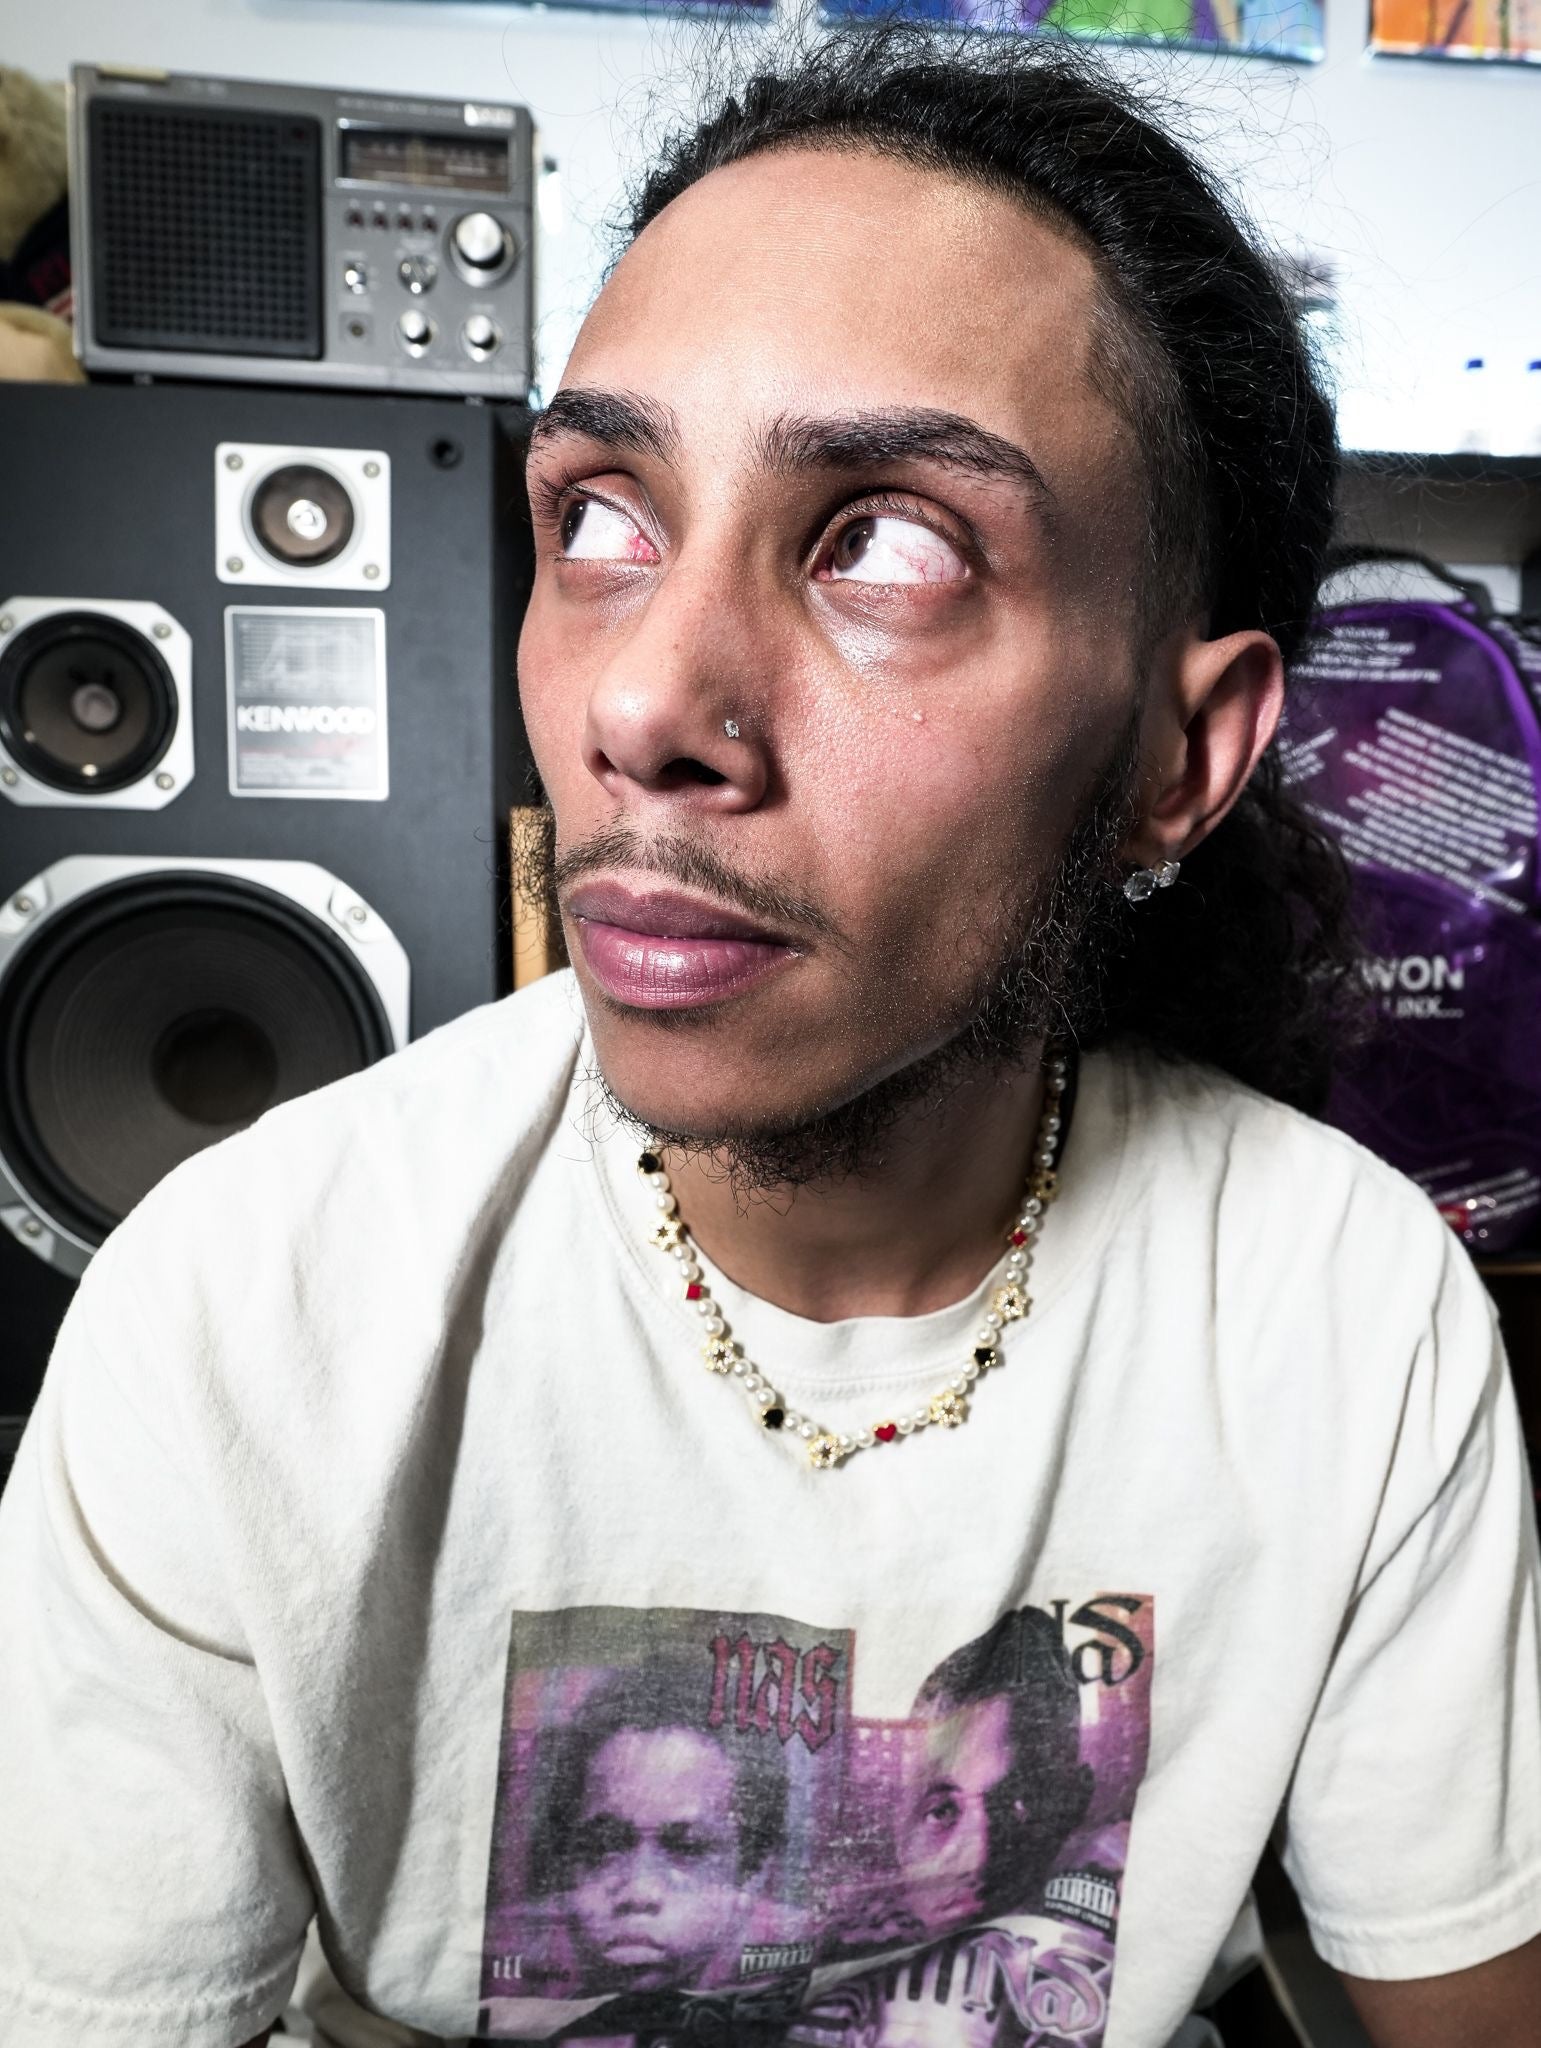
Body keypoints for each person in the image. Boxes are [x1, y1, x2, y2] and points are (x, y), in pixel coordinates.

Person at [2, 22, 1539, 2048]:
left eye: (887, 540)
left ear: (1177, 757)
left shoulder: (1345, 1312)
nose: (643, 703)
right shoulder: (240, 1313)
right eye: (602, 516)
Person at [515, 1661, 789, 1998]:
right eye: (604, 1848)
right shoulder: (514, 1978)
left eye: (688, 1848)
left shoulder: (818, 1978)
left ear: (753, 1873)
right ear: (564, 1864)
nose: (639, 1893)